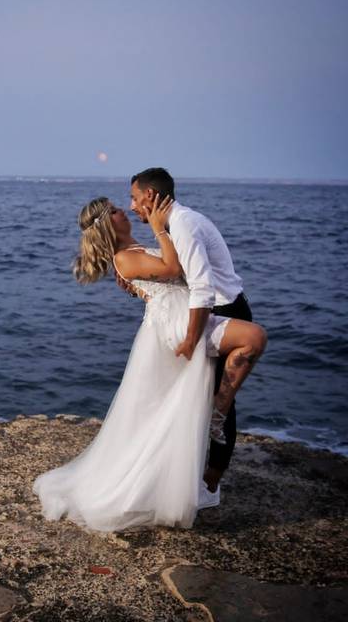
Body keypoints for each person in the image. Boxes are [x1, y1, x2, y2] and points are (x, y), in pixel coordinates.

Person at [31, 194, 266, 531]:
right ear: (108, 225)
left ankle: (198, 461)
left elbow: (170, 277)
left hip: (185, 316)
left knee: (173, 408)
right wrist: (160, 229)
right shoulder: (124, 259)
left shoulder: (133, 252)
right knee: (253, 338)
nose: (123, 210)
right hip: (178, 326)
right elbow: (173, 268)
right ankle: (219, 414)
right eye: (114, 210)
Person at [126, 167, 257, 509]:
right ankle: (196, 480)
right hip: (213, 311)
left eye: (135, 198)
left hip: (224, 312)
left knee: (220, 408)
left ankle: (209, 487)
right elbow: (173, 274)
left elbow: (200, 288)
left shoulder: (182, 225)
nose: (132, 206)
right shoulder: (173, 225)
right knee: (203, 399)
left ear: (151, 196)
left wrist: (190, 338)